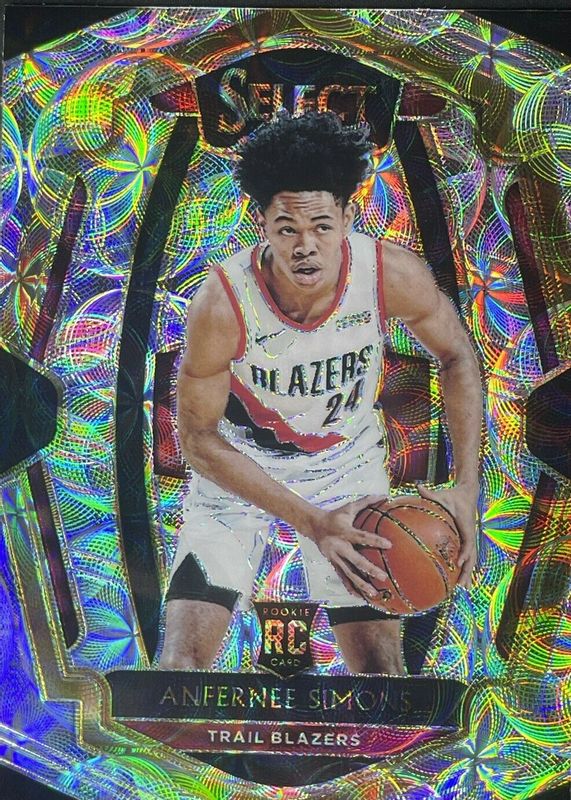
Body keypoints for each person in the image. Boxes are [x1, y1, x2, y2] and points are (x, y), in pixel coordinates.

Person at [159, 111, 481, 675]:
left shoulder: (389, 274)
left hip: (344, 468)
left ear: (348, 218)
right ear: (261, 223)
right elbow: (199, 439)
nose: (305, 247)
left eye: (322, 227)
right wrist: (310, 522)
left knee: (382, 673)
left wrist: (466, 491)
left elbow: (457, 356)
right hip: (241, 469)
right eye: (287, 229)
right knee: (179, 668)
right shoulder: (223, 302)